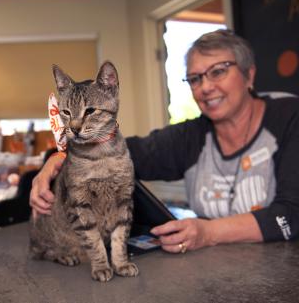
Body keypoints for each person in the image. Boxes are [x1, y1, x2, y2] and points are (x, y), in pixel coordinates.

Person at [30, 29, 299, 254]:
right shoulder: (192, 136)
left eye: (218, 71)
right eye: (195, 78)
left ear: (249, 75)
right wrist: (58, 158)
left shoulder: (290, 118)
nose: (205, 87)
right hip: (215, 270)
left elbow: (292, 214)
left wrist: (208, 232)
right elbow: (126, 151)